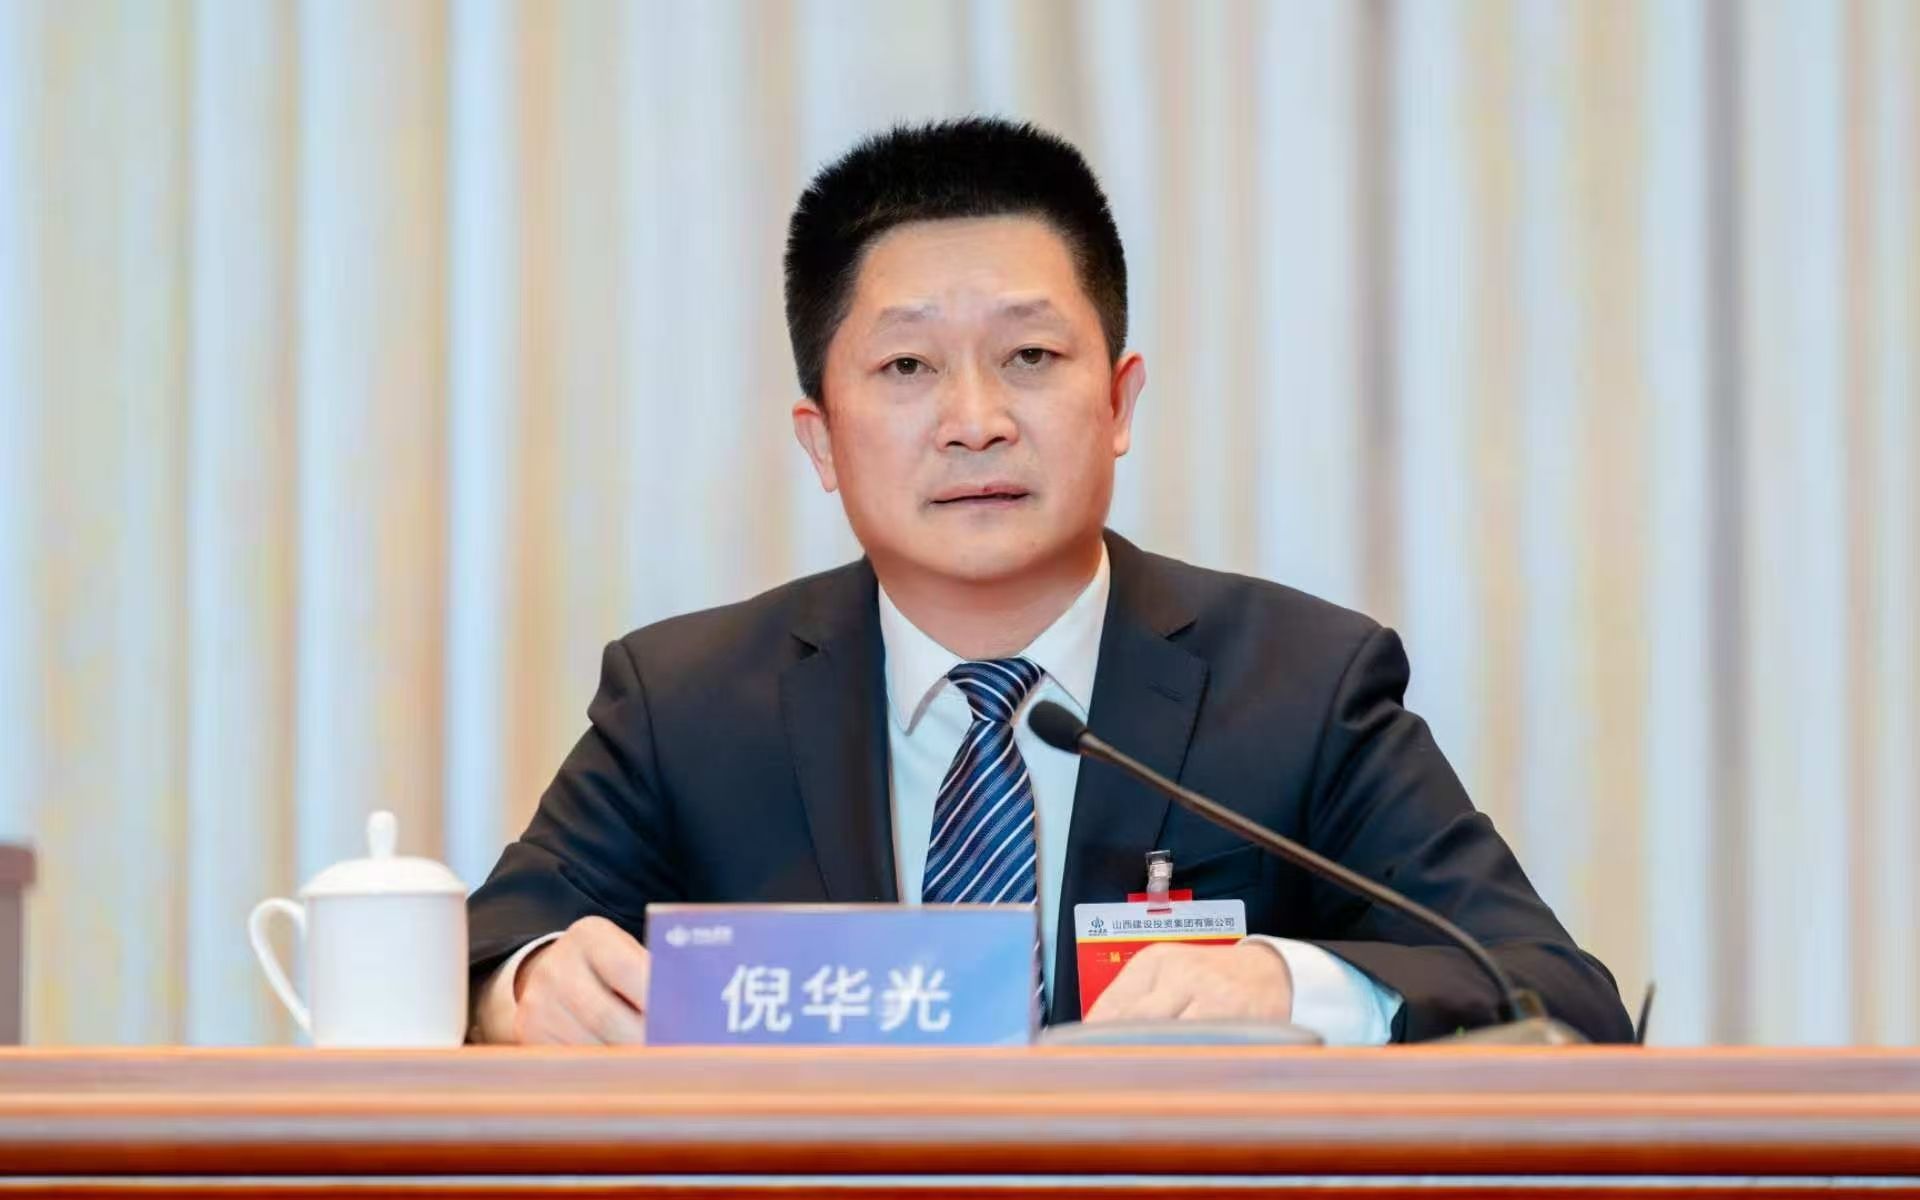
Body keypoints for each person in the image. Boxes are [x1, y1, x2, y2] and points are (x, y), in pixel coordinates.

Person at [466, 117, 1633, 1047]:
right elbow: (482, 950)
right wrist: (523, 986)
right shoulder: (688, 704)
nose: (975, 420)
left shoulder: (1301, 685)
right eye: (907, 365)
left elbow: (1559, 998)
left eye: (1030, 355)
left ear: (1118, 402)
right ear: (820, 439)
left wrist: (1289, 984)